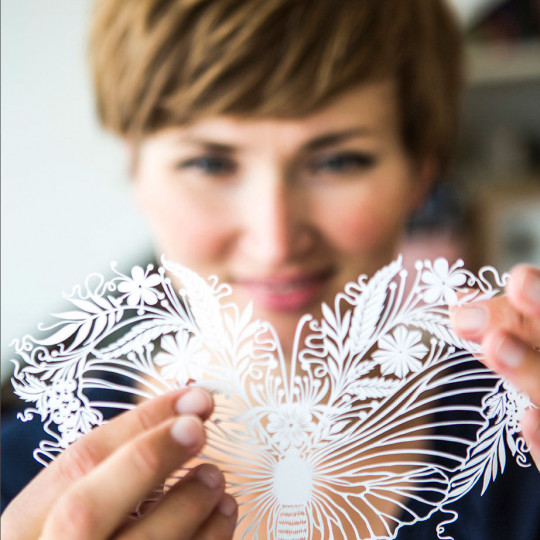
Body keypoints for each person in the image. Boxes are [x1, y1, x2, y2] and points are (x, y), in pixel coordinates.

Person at [2, 0, 540, 538]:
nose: (275, 241)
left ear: (421, 172)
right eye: (210, 163)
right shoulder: (18, 484)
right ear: (136, 168)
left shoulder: (522, 451)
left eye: (337, 161)